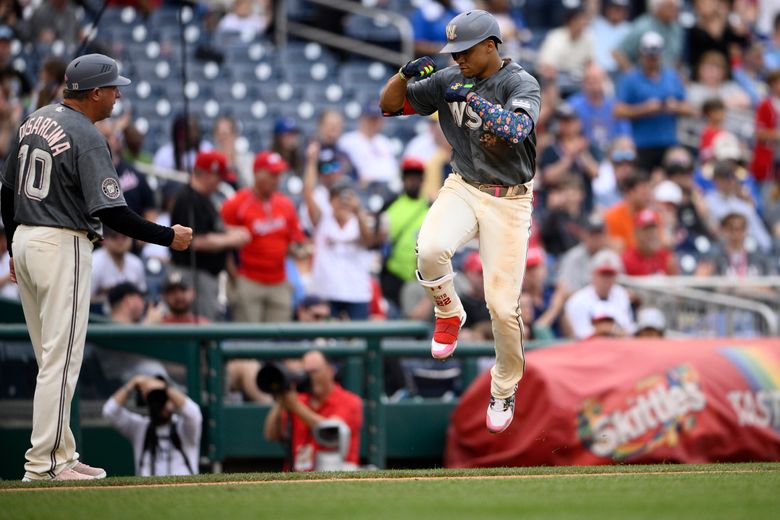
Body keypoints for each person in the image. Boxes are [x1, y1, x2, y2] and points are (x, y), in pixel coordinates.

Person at [0, 54, 193, 481]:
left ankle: (62, 454)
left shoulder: (33, 120)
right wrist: (168, 236)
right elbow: (114, 213)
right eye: (113, 88)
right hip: (61, 241)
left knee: (52, 356)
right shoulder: (86, 134)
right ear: (93, 93)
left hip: (27, 239)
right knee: (62, 359)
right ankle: (45, 463)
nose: (118, 95)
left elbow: (7, 189)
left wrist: (14, 246)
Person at [379, 9, 540, 434]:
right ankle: (448, 313)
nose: (458, 59)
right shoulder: (451, 78)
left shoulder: (519, 82)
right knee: (430, 248)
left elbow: (515, 131)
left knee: (503, 309)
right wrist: (403, 75)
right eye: (454, 52)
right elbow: (389, 107)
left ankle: (503, 388)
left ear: (491, 45)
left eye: (465, 51)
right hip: (464, 185)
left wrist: (472, 98)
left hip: (510, 199)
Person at [220, 150, 308, 322]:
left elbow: (296, 242)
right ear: (257, 174)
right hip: (248, 280)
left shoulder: (285, 204)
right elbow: (222, 243)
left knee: (279, 342)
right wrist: (235, 278)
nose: (277, 179)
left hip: (279, 281)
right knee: (249, 342)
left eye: (279, 174)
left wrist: (300, 250)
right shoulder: (237, 203)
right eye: (273, 174)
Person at [169, 150, 251, 321]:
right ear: (207, 174)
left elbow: (211, 229)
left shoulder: (204, 198)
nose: (220, 182)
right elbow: (195, 241)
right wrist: (232, 239)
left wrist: (232, 231)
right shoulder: (188, 199)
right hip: (193, 275)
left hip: (205, 276)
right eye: (218, 176)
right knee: (202, 328)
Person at [263, 350, 363, 472]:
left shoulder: (349, 401)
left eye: (315, 372)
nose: (310, 378)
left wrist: (296, 406)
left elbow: (331, 433)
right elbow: (271, 434)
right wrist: (281, 397)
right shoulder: (299, 400)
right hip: (298, 478)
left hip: (335, 476)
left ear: (330, 371)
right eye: (306, 373)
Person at [613, 31, 694, 173]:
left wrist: (674, 107)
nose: (652, 59)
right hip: (641, 144)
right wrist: (644, 109)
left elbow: (690, 109)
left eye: (655, 55)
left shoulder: (672, 77)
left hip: (669, 142)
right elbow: (618, 111)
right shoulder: (630, 79)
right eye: (649, 55)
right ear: (641, 54)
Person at [102, 374, 202, 476]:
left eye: (163, 398)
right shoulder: (139, 427)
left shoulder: (183, 427)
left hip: (184, 488)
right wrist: (134, 382)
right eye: (155, 399)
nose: (160, 404)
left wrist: (164, 388)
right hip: (147, 488)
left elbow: (194, 413)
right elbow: (109, 412)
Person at [376, 157, 430, 310]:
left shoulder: (430, 207)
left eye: (416, 177)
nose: (413, 181)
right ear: (403, 179)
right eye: (409, 177)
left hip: (418, 276)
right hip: (393, 274)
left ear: (422, 180)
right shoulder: (390, 205)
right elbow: (377, 238)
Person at [564, 249, 634, 339]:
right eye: (603, 274)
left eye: (610, 275)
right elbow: (580, 336)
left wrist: (612, 331)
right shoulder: (577, 300)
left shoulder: (621, 295)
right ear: (593, 274)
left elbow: (628, 331)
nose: (606, 279)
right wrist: (603, 331)